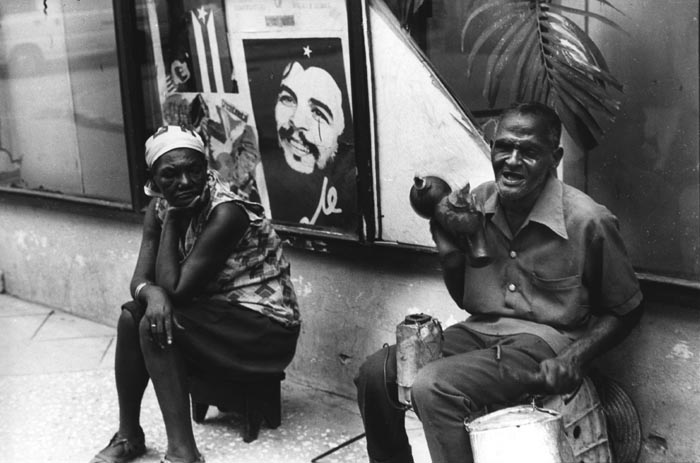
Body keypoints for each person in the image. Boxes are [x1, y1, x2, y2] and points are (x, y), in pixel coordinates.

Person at [354, 102, 644, 463]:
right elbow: (463, 298)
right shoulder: (475, 203)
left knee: (434, 387)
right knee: (375, 373)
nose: (511, 160)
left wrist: (576, 356)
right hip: (478, 333)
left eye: (529, 151)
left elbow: (628, 308)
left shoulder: (588, 221)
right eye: (503, 146)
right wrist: (446, 242)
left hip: (541, 344)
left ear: (554, 158)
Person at [90, 125, 300, 463]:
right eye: (170, 174)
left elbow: (177, 291)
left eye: (194, 169)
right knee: (132, 317)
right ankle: (129, 434)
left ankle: (182, 453)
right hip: (217, 314)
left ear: (207, 167)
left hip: (265, 328)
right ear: (154, 179)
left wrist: (172, 220)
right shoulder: (159, 203)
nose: (185, 182)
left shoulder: (226, 212)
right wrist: (150, 294)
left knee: (152, 323)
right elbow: (141, 279)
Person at [259, 58, 358, 230]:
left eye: (318, 112)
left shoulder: (350, 186)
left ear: (340, 130)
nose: (297, 121)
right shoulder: (259, 178)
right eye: (288, 99)